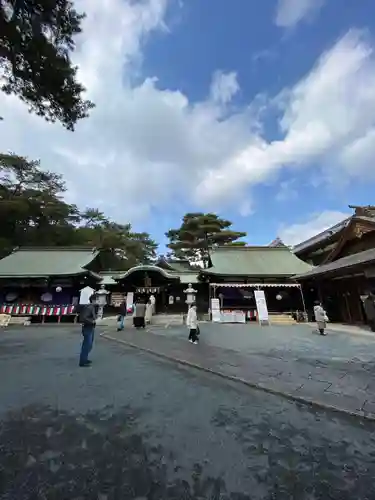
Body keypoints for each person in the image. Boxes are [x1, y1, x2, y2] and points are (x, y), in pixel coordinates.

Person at [79, 295, 97, 367]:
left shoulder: (91, 307)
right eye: (97, 299)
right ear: (93, 300)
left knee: (89, 345)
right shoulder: (89, 307)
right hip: (87, 327)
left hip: (90, 327)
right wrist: (92, 321)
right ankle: (82, 361)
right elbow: (84, 318)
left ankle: (85, 359)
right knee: (87, 345)